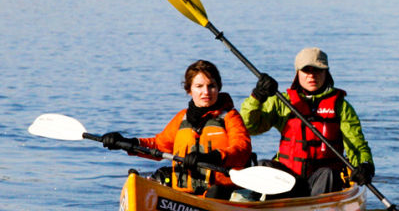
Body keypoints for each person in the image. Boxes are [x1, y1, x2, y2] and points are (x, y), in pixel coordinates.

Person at [100, 60, 252, 199]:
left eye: (211, 86)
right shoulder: (181, 118)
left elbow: (242, 149)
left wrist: (213, 157)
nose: (206, 92)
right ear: (189, 89)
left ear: (218, 87)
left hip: (220, 195)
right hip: (184, 196)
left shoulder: (230, 116)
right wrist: (126, 142)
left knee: (215, 192)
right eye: (199, 86)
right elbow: (159, 146)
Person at [240, 47, 374, 196]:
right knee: (263, 166)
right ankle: (257, 209)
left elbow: (356, 144)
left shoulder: (341, 106)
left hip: (321, 179)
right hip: (288, 179)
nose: (312, 76)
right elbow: (249, 127)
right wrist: (257, 97)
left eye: (317, 70)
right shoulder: (283, 101)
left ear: (326, 73)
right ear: (297, 73)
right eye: (306, 70)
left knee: (328, 173)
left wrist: (365, 165)